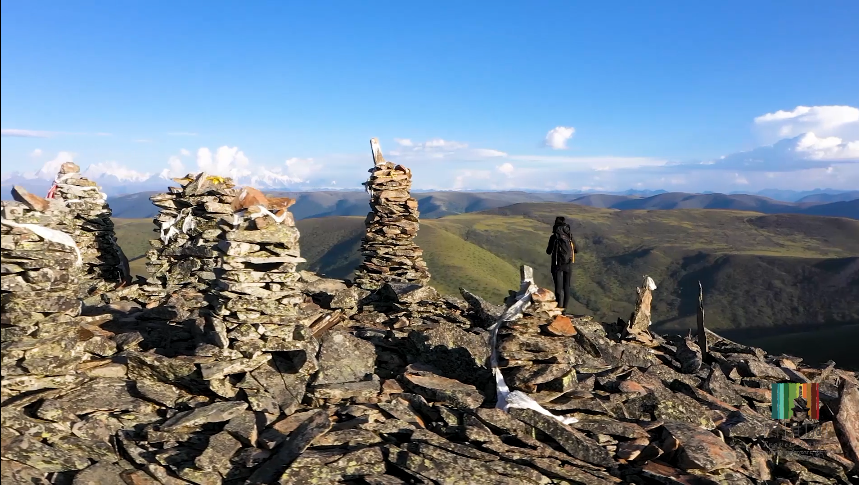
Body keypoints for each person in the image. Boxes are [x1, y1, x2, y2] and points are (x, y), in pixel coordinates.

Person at [546, 216, 578, 312]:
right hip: (568, 264)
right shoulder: (569, 236)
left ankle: (558, 308)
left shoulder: (554, 237)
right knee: (566, 286)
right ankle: (565, 310)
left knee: (558, 288)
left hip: (557, 265)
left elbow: (548, 251)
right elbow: (576, 250)